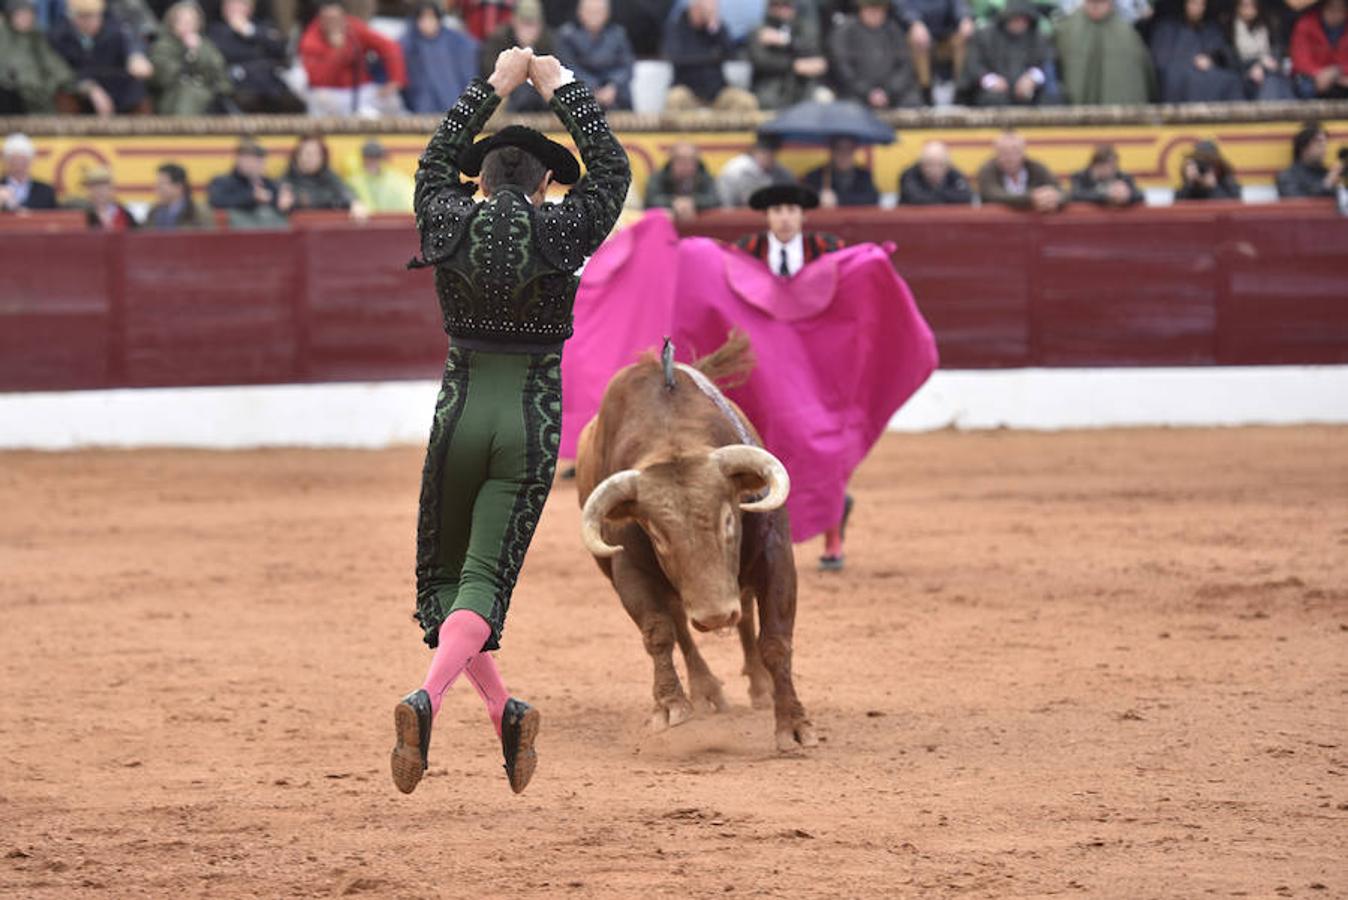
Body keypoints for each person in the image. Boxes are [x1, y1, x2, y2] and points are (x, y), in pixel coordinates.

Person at [392, 47, 630, 796]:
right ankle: (426, 698)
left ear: (480, 178)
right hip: (528, 418)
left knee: (447, 582)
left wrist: (490, 88)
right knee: (484, 580)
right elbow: (614, 173)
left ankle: (503, 712)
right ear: (548, 182)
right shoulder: (562, 232)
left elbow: (432, 164)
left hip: (458, 413)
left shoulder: (447, 215)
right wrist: (562, 89)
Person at [299, 0, 407, 116]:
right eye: (329, 19)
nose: (333, 23)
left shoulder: (353, 27)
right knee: (319, 100)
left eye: (336, 18)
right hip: (332, 92)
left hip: (362, 89)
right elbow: (318, 80)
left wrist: (395, 79)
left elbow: (389, 47)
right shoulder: (310, 39)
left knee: (392, 101)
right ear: (320, 19)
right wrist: (338, 51)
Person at [48, 0, 154, 114]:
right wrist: (89, 88)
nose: (90, 22)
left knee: (139, 94)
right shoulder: (58, 37)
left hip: (114, 88)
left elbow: (130, 43)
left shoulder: (114, 31)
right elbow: (60, 72)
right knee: (64, 97)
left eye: (94, 16)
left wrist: (135, 56)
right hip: (78, 88)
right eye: (84, 17)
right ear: (72, 17)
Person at [207, 0, 305, 113]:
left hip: (270, 83)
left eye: (238, 4)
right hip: (238, 83)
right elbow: (226, 53)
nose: (232, 8)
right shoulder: (215, 31)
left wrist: (249, 31)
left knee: (293, 103)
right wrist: (255, 46)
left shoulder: (262, 25)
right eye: (229, 4)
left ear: (250, 8)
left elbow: (280, 48)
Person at [663, 0, 758, 111]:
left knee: (746, 101)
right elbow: (674, 55)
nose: (711, 10)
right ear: (695, 6)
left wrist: (714, 31)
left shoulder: (717, 28)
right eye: (707, 7)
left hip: (717, 92)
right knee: (674, 98)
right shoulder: (677, 27)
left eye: (714, 7)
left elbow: (731, 55)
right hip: (688, 91)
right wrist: (711, 54)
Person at [1055, 0, 1154, 103]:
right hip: (1074, 114)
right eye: (1092, 3)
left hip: (1118, 114)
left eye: (1101, 3)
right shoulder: (1066, 32)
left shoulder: (1129, 37)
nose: (1096, 7)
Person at [828, 0, 923, 108]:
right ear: (861, 9)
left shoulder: (894, 30)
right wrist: (868, 92)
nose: (874, 13)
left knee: (912, 101)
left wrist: (888, 91)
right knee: (847, 105)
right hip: (856, 93)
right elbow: (842, 68)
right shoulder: (845, 32)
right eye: (870, 9)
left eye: (878, 10)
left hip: (893, 93)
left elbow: (905, 66)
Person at [0, 0, 89, 115]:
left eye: (28, 14)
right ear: (10, 17)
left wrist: (54, 84)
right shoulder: (4, 40)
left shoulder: (38, 38)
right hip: (15, 97)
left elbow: (56, 66)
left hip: (41, 95)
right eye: (20, 15)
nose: (25, 19)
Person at [960, 0, 1054, 105]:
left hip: (1027, 93)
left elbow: (1043, 64)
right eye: (1017, 19)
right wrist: (992, 80)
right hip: (991, 93)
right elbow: (974, 65)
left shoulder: (1036, 37)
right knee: (993, 100)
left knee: (1051, 99)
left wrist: (1031, 78)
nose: (1021, 23)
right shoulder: (985, 36)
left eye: (1025, 20)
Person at [1149, 0, 1244, 102]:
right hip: (1180, 77)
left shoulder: (1212, 29)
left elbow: (1225, 54)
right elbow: (1160, 61)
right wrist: (1189, 62)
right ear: (1186, 5)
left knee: (1232, 80)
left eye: (1201, 5)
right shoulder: (1167, 29)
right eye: (1194, 3)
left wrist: (1212, 59)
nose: (1198, 8)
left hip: (1210, 76)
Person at [149, 1, 232, 114]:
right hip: (173, 98)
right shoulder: (162, 46)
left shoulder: (206, 46)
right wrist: (189, 56)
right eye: (182, 21)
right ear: (172, 23)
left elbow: (221, 77)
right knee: (189, 95)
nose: (187, 25)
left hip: (208, 97)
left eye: (192, 22)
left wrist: (198, 52)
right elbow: (163, 77)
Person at [400, 0, 479, 114]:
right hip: (420, 108)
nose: (427, 23)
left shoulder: (456, 42)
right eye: (423, 18)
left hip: (452, 104)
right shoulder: (408, 43)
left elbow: (467, 70)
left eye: (431, 18)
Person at [748, 0, 830, 109]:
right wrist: (794, 65)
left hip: (801, 87)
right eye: (776, 5)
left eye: (787, 5)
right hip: (770, 87)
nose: (782, 9)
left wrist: (785, 40)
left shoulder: (803, 28)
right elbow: (761, 61)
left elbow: (815, 55)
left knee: (822, 98)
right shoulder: (759, 30)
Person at [555, 0, 634, 109]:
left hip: (615, 95)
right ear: (580, 12)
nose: (594, 16)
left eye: (598, 11)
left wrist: (613, 86)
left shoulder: (618, 34)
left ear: (607, 13)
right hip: (580, 95)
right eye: (590, 11)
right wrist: (593, 88)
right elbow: (568, 67)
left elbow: (627, 66)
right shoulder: (567, 36)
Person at [479, 0, 554, 111]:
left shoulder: (548, 42)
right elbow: (492, 74)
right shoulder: (499, 39)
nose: (528, 30)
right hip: (509, 99)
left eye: (533, 24)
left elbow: (554, 76)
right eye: (524, 23)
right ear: (513, 21)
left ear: (541, 25)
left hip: (540, 101)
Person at [207, 137, 287, 227]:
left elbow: (283, 205)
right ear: (238, 159)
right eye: (248, 157)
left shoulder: (269, 184)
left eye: (258, 158)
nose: (253, 163)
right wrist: (251, 196)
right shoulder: (222, 182)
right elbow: (216, 201)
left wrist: (284, 202)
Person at [976, 130, 1063, 211]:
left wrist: (1054, 197)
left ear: (1023, 152)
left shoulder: (1036, 168)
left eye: (1015, 151)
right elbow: (991, 195)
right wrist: (1032, 197)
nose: (1010, 157)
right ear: (996, 154)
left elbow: (1062, 192)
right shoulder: (987, 170)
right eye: (1004, 152)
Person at [1227, 0, 1295, 99]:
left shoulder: (1267, 26)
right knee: (1270, 82)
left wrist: (1262, 65)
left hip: (1268, 70)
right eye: (1245, 6)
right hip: (1243, 76)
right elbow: (1231, 61)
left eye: (1252, 5)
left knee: (1275, 80)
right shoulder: (1229, 30)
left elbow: (1276, 51)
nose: (1249, 9)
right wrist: (1255, 66)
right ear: (1237, 8)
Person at [906, 0, 975, 93]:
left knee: (963, 37)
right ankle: (925, 90)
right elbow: (903, 7)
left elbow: (959, 4)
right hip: (919, 31)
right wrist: (914, 22)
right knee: (916, 40)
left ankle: (962, 88)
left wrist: (964, 18)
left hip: (947, 32)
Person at [644, 141, 721, 222]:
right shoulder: (659, 177)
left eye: (690, 160)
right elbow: (651, 200)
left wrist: (693, 203)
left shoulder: (705, 177)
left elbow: (715, 200)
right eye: (680, 159)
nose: (685, 164)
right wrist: (673, 203)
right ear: (671, 161)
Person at [716, 132, 796, 207]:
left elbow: (790, 184)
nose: (769, 156)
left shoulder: (776, 168)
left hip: (757, 211)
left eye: (772, 153)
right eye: (764, 152)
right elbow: (750, 200)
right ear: (755, 151)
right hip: (731, 212)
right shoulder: (740, 168)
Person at [279, 134, 354, 212]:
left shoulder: (329, 176)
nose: (312, 158)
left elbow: (346, 193)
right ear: (297, 156)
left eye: (317, 154)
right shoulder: (287, 180)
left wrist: (354, 203)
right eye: (308, 154)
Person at [1290, 0, 1348, 98]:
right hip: (1312, 77)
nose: (1335, 14)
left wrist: (1337, 72)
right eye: (1331, 9)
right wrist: (1319, 74)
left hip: (1341, 76)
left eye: (1340, 10)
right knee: (1305, 88)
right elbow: (1300, 60)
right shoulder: (1306, 24)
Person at [802, 136, 880, 207]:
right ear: (831, 152)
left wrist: (838, 199)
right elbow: (805, 199)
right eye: (839, 149)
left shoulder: (864, 176)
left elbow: (872, 198)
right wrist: (819, 198)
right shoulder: (815, 176)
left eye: (848, 149)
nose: (844, 154)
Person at [1275, 121, 1343, 198]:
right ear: (1303, 146)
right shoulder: (1288, 177)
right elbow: (1296, 204)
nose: (1324, 149)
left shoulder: (1325, 173)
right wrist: (1327, 184)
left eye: (1325, 143)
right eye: (1319, 143)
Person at [346, 138, 414, 212]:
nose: (372, 161)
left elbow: (409, 200)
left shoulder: (395, 179)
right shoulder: (354, 182)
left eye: (376, 157)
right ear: (363, 159)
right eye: (369, 157)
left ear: (381, 159)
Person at [898, 140, 974, 204]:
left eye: (940, 165)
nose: (934, 170)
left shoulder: (954, 174)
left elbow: (966, 196)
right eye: (929, 164)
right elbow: (915, 198)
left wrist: (935, 195)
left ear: (948, 166)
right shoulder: (909, 175)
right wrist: (946, 197)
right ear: (921, 165)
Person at [1068, 144, 1144, 206]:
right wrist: (1106, 195)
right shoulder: (1080, 177)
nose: (1112, 171)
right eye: (1109, 167)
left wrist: (1126, 194)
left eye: (1114, 167)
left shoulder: (1122, 177)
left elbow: (1139, 195)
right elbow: (1075, 195)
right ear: (1096, 165)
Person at [0, 133, 57, 211]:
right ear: (6, 162)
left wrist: (15, 207)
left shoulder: (45, 192)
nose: (18, 165)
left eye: (23, 161)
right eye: (14, 160)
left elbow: (56, 219)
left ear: (31, 162)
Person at [146, 162, 212, 228]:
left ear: (179, 186)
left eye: (161, 184)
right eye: (157, 184)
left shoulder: (199, 213)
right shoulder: (154, 211)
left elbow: (209, 236)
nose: (157, 188)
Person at [1174, 139, 1241, 200]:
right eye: (1200, 163)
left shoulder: (1228, 182)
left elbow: (1233, 209)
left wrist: (1214, 188)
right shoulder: (1189, 185)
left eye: (1208, 163)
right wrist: (1189, 184)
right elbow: (1177, 209)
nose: (1204, 167)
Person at [79, 164, 136, 229]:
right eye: (95, 187)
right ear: (88, 190)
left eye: (103, 187)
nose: (99, 191)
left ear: (111, 189)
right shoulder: (83, 215)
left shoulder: (124, 214)